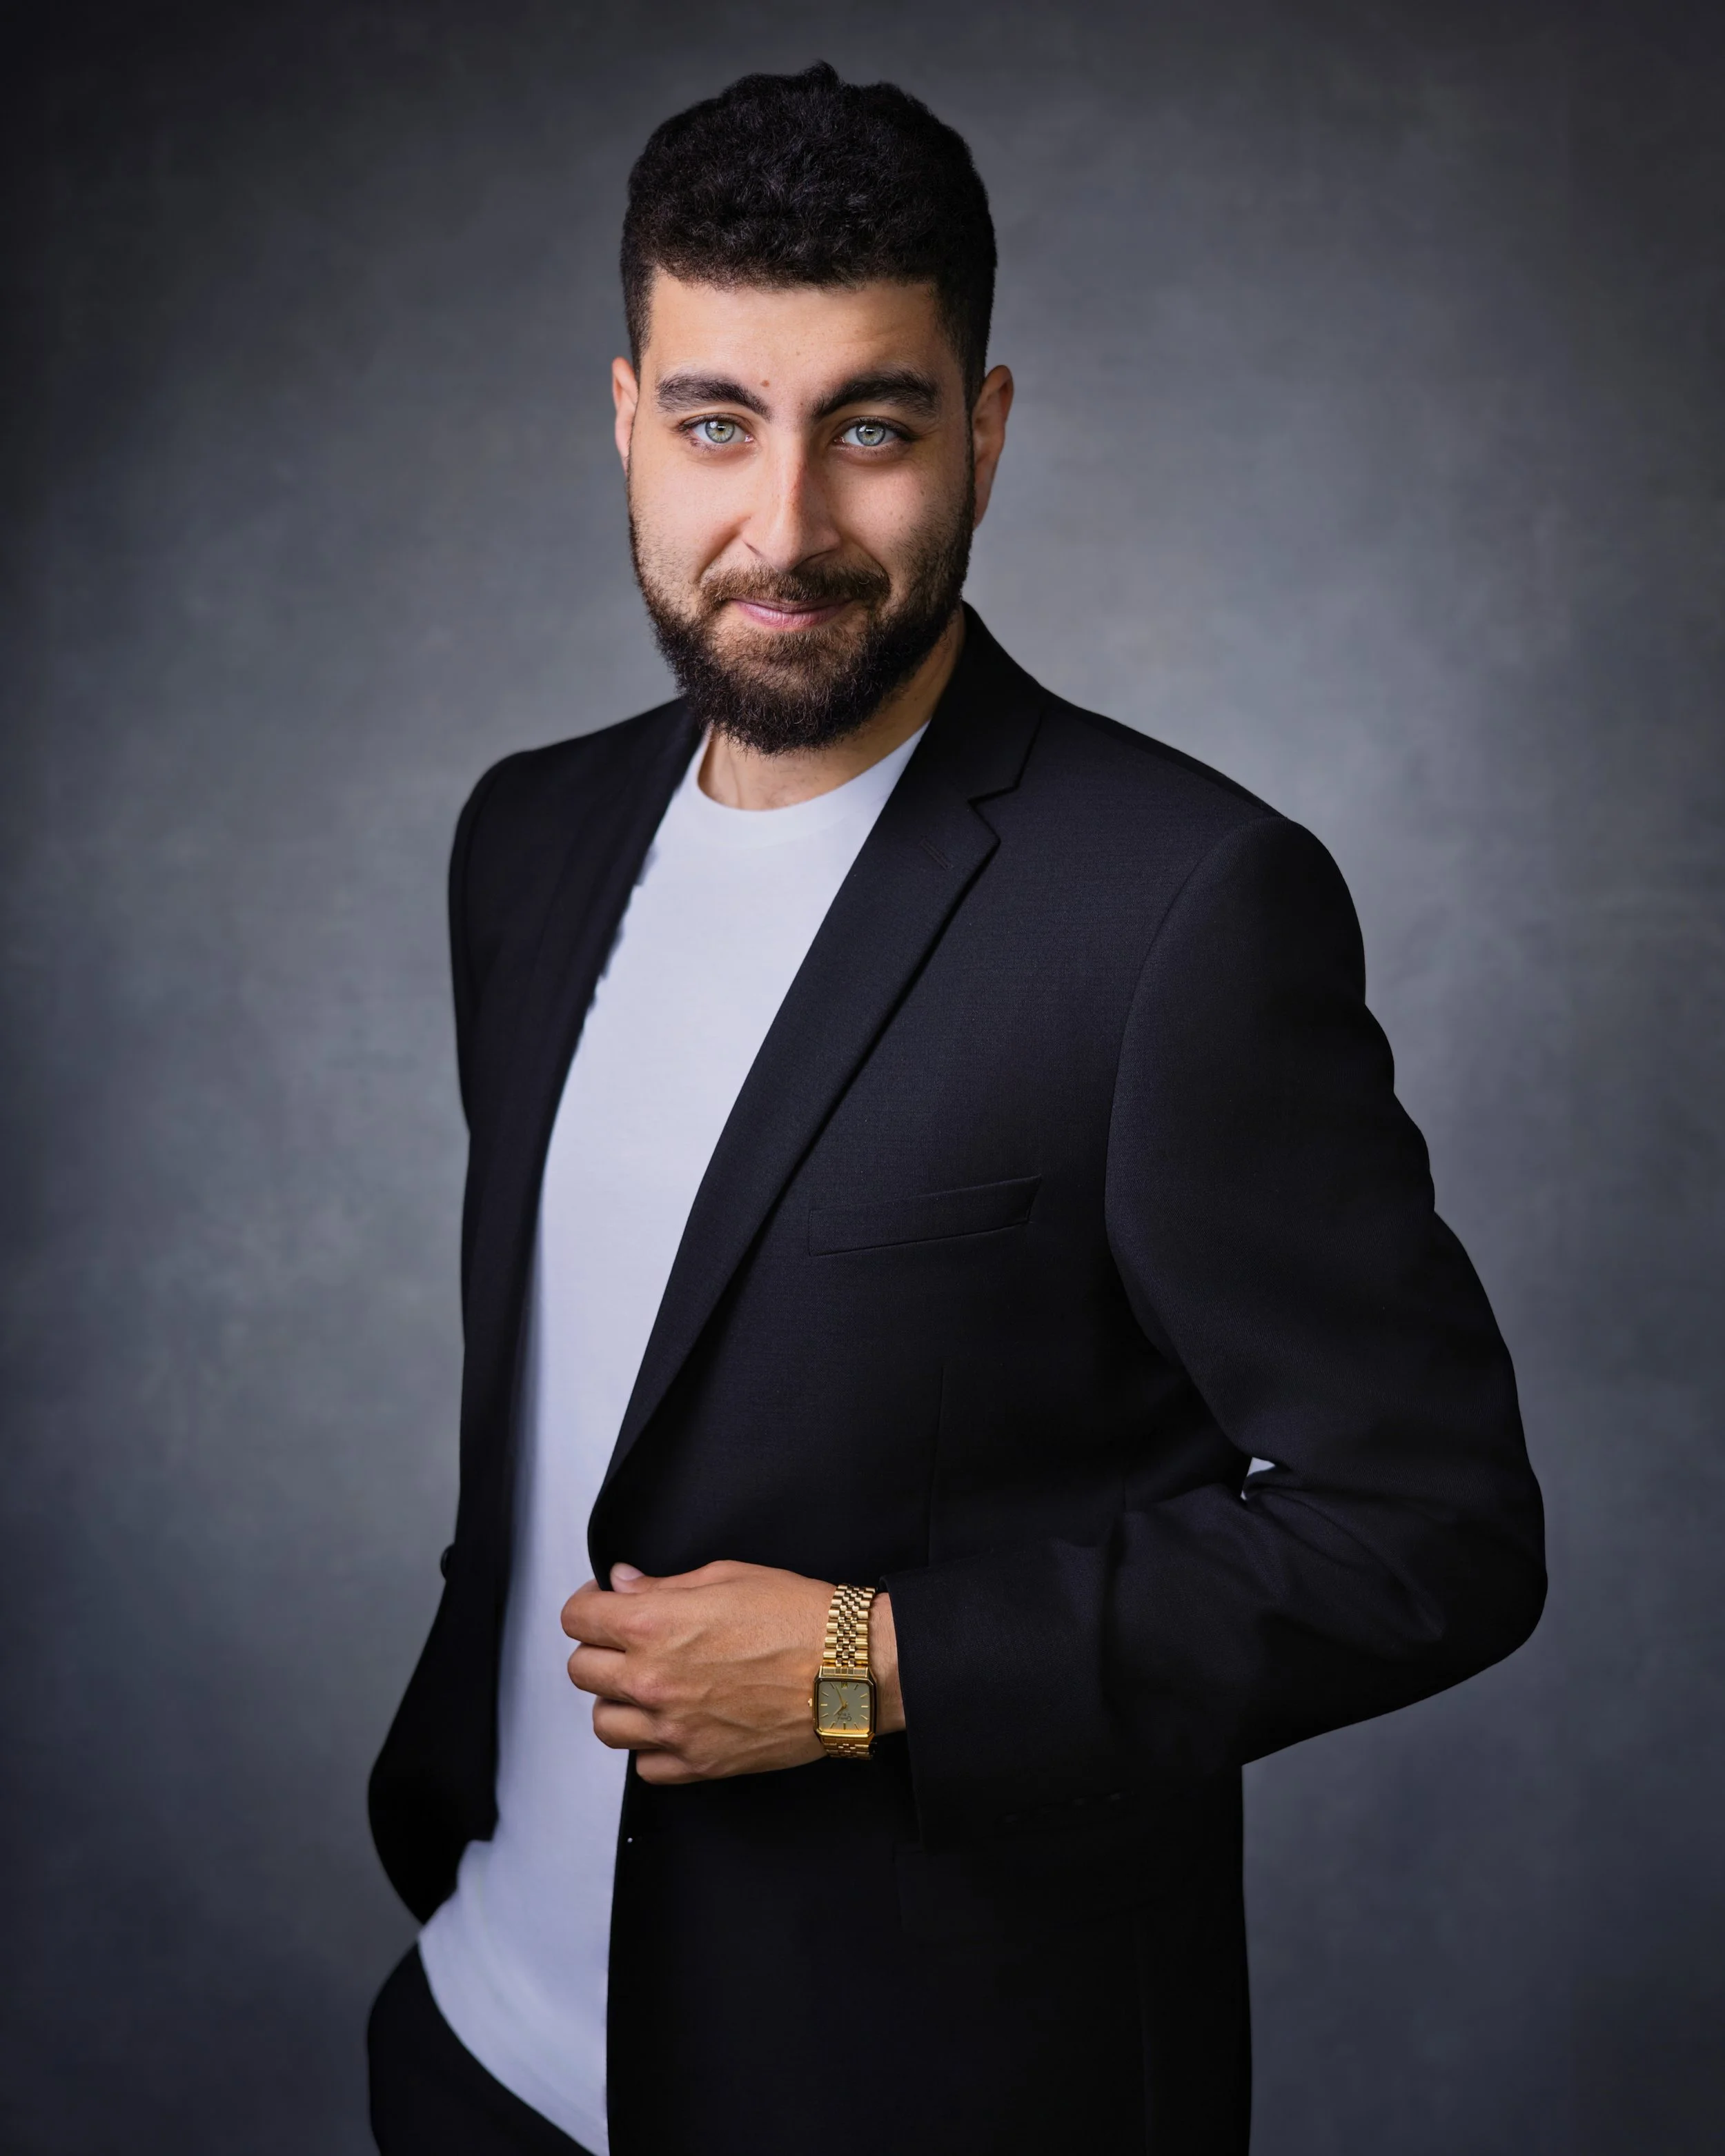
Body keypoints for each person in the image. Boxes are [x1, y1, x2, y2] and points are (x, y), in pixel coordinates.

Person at [365, 61, 1545, 2156]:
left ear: (982, 434)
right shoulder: (521, 841)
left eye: (873, 427)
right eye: (719, 421)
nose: (787, 525)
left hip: (925, 2091)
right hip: (488, 2050)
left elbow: (1431, 1533)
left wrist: (865, 1664)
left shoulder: (1180, 908)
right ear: (626, 421)